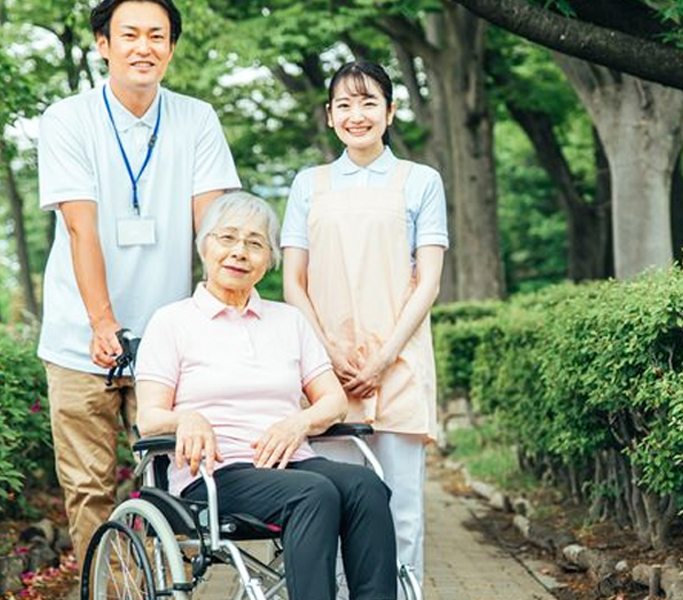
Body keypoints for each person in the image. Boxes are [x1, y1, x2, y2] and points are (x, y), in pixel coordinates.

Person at [36, 0, 240, 548]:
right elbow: (82, 229)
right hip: (80, 341)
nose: (143, 47)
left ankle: (160, 584)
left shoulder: (197, 119)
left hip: (171, 342)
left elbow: (214, 229)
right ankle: (102, 585)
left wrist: (221, 318)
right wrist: (103, 324)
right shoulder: (67, 119)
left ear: (171, 47)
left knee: (176, 482)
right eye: (130, 35)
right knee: (89, 488)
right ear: (104, 44)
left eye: (157, 35)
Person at [136, 192, 398, 600]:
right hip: (216, 472)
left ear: (269, 259)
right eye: (227, 238)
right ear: (205, 244)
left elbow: (333, 400)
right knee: (314, 494)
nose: (239, 252)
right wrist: (187, 418)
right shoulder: (172, 322)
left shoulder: (288, 321)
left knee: (364, 484)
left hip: (293, 463)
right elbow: (149, 417)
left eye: (255, 243)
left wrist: (300, 422)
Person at [280, 60, 445, 594]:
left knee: (401, 514)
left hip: (398, 367)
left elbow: (429, 282)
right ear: (329, 117)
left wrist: (382, 360)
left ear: (391, 111)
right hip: (324, 377)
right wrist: (326, 355)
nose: (357, 114)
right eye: (344, 105)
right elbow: (293, 284)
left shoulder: (421, 181)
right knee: (327, 513)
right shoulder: (310, 185)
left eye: (369, 102)